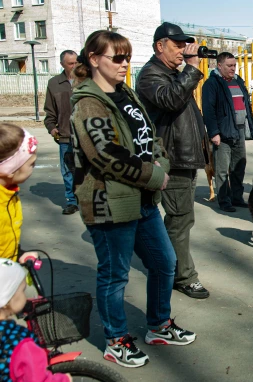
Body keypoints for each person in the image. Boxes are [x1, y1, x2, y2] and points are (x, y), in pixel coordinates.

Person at [71, 30, 196, 368]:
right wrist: (155, 175)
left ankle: (158, 325)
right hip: (109, 202)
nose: (125, 64)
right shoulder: (89, 102)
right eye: (117, 57)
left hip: (142, 199)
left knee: (164, 262)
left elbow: (150, 135)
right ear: (95, 59)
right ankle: (116, 340)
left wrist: (163, 161)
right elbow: (105, 154)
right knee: (115, 274)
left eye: (127, 57)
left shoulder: (125, 92)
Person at [135, 22, 209, 299]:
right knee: (179, 219)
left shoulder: (172, 74)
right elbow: (171, 101)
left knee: (180, 219)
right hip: (172, 159)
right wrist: (191, 67)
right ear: (159, 46)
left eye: (184, 45)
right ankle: (182, 276)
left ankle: (168, 265)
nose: (182, 50)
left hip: (184, 159)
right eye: (177, 45)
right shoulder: (151, 75)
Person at [202, 52, 253, 213]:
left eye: (234, 65)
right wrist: (214, 133)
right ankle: (224, 200)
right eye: (229, 65)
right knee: (222, 169)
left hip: (240, 130)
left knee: (239, 166)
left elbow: (246, 105)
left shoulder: (238, 81)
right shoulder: (212, 84)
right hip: (222, 132)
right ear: (219, 66)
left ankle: (236, 197)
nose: (233, 68)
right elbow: (208, 110)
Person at [0, 258, 71, 382]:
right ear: (7, 300)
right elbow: (36, 378)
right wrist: (63, 379)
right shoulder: (20, 341)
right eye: (22, 291)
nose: (25, 296)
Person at [43, 49, 79, 215]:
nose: (74, 66)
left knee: (86, 169)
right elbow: (49, 112)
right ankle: (72, 201)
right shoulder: (54, 83)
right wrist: (52, 128)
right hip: (65, 136)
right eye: (70, 63)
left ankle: (88, 199)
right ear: (62, 64)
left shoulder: (87, 81)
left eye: (76, 62)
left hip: (85, 135)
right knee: (68, 170)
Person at [0, 124, 39, 264]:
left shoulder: (9, 193)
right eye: (31, 164)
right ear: (10, 169)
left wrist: (18, 254)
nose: (33, 168)